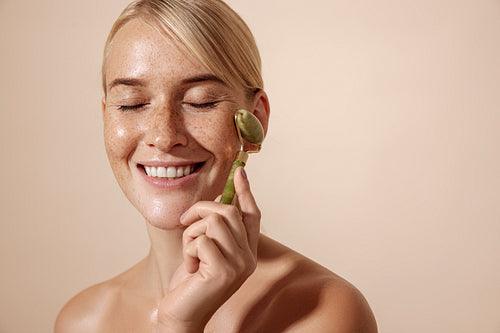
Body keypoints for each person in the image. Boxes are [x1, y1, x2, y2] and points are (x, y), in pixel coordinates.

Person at [55, 0, 377, 331]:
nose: (164, 136)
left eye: (201, 102)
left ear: (257, 118)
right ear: (105, 116)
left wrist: (181, 324)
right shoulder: (83, 321)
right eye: (132, 104)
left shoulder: (324, 313)